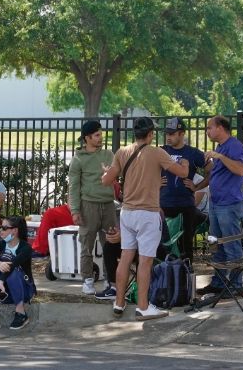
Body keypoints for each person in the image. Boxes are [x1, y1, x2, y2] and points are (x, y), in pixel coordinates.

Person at [102, 117, 189, 321]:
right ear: (150, 134)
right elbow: (182, 172)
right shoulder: (157, 152)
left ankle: (119, 302)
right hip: (148, 213)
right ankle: (143, 306)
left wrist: (105, 172)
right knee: (145, 261)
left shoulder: (122, 152)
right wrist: (184, 162)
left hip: (127, 212)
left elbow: (106, 180)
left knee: (125, 257)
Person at [194, 115, 243, 297]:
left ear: (221, 128)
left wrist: (220, 157)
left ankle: (236, 284)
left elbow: (240, 169)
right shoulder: (221, 148)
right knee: (215, 244)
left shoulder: (234, 146)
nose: (207, 131)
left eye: (210, 128)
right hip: (217, 204)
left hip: (229, 204)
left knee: (231, 244)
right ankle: (218, 282)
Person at [68, 120, 117, 297]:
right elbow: (73, 186)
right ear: (87, 138)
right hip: (88, 205)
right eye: (97, 135)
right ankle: (87, 280)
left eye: (101, 134)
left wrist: (110, 173)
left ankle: (109, 280)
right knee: (86, 244)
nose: (100, 137)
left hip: (108, 204)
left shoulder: (109, 154)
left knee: (110, 243)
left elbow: (115, 175)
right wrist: (74, 210)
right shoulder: (78, 159)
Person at [160, 117, 210, 262]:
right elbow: (146, 171)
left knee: (186, 243)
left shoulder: (193, 153)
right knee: (162, 243)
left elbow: (212, 171)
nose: (168, 137)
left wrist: (197, 187)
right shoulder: (161, 151)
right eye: (167, 134)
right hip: (163, 204)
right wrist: (155, 182)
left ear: (181, 134)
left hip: (186, 204)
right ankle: (165, 274)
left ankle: (186, 274)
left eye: (172, 134)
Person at [0, 216, 36, 330]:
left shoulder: (25, 248)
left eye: (4, 228)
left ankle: (21, 313)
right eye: (0, 227)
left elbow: (13, 265)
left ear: (14, 230)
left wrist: (0, 281)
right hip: (3, 294)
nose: (1, 230)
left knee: (13, 271)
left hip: (23, 292)